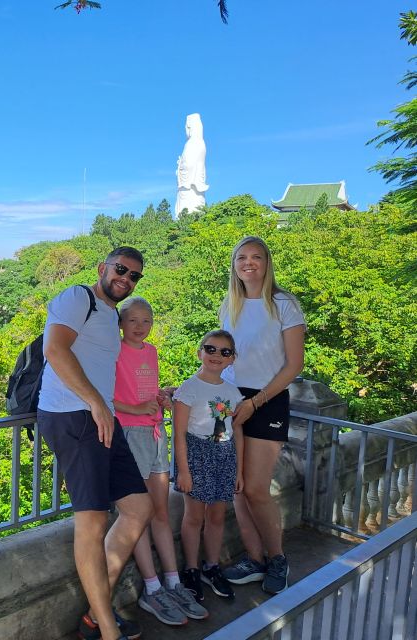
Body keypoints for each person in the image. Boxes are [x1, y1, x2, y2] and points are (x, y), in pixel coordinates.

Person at [38, 247, 154, 640]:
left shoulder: (109, 314)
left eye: (135, 275)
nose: (126, 278)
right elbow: (54, 349)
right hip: (73, 416)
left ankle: (94, 613)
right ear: (103, 268)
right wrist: (93, 403)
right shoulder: (77, 297)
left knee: (139, 508)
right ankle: (107, 630)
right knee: (92, 522)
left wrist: (113, 405)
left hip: (100, 416)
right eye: (121, 270)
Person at [113, 297, 209, 627]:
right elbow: (103, 396)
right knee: (136, 515)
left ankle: (173, 583)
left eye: (147, 320)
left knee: (161, 512)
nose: (140, 327)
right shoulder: (113, 351)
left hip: (155, 434)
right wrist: (135, 410)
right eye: (133, 320)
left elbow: (145, 391)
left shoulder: (151, 352)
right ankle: (151, 589)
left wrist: (160, 398)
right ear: (121, 323)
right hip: (129, 436)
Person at [219, 236, 305, 595]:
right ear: (234, 265)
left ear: (267, 263)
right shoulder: (230, 304)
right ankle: (254, 560)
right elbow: (221, 357)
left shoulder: (284, 304)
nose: (248, 263)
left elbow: (294, 365)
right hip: (230, 400)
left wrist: (256, 402)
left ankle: (277, 558)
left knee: (255, 489)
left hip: (267, 400)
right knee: (237, 487)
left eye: (256, 257)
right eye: (242, 257)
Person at [173, 330, 245, 604]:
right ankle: (191, 569)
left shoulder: (231, 392)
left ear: (232, 359)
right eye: (211, 349)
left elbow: (236, 432)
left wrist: (238, 471)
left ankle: (211, 566)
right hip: (197, 455)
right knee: (194, 517)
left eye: (225, 352)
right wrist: (184, 472)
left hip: (224, 456)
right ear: (200, 352)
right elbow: (179, 434)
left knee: (216, 516)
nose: (217, 355)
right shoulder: (188, 388)